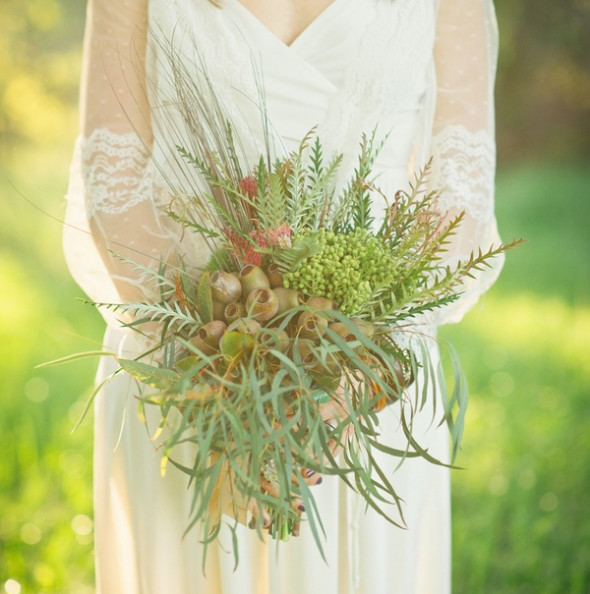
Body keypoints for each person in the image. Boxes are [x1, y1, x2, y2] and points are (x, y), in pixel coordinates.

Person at [64, 0, 504, 592]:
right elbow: (114, 185)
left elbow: (459, 191)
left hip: (371, 388)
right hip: (186, 375)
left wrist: (355, 369)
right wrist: (226, 382)